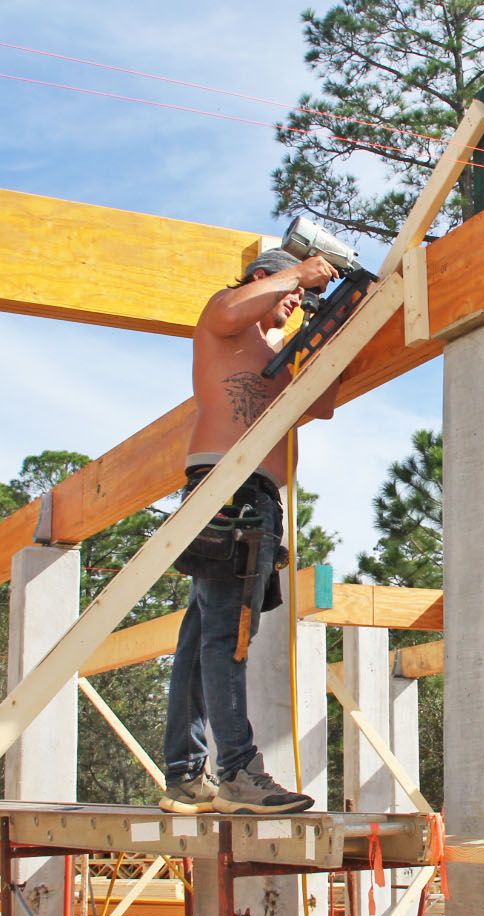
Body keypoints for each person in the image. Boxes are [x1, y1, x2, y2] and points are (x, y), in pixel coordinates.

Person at [160, 247, 339, 815]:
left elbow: (322, 403)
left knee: (202, 636)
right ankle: (238, 772)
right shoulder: (225, 314)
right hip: (226, 488)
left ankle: (187, 774)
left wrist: (326, 334)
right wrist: (299, 274)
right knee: (228, 635)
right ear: (264, 277)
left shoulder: (274, 353)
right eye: (289, 295)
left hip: (254, 495)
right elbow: (234, 309)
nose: (294, 303)